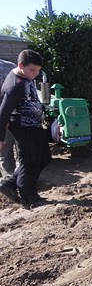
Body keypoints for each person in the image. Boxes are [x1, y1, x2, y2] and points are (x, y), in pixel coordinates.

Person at [0, 49, 52, 209]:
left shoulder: (25, 76)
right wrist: (1, 139)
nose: (35, 74)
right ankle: (29, 197)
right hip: (23, 128)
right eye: (32, 70)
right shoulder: (15, 86)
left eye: (38, 70)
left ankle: (9, 184)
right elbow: (3, 113)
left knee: (44, 157)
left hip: (34, 126)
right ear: (21, 65)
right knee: (28, 161)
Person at [0, 59, 17, 179]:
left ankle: (9, 183)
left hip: (4, 116)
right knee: (20, 152)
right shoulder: (10, 66)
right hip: (18, 114)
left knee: (5, 154)